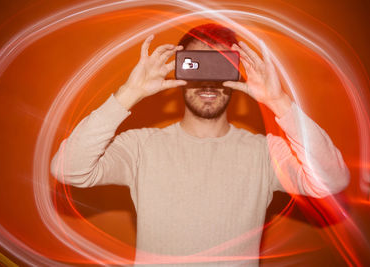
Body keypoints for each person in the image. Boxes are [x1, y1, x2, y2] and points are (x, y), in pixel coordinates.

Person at [51, 23, 350, 266]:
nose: (208, 81)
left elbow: (331, 181)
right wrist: (128, 94)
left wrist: (279, 102)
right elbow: (68, 170)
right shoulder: (141, 147)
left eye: (219, 65)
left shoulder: (265, 152)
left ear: (236, 71)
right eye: (197, 64)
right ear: (181, 69)